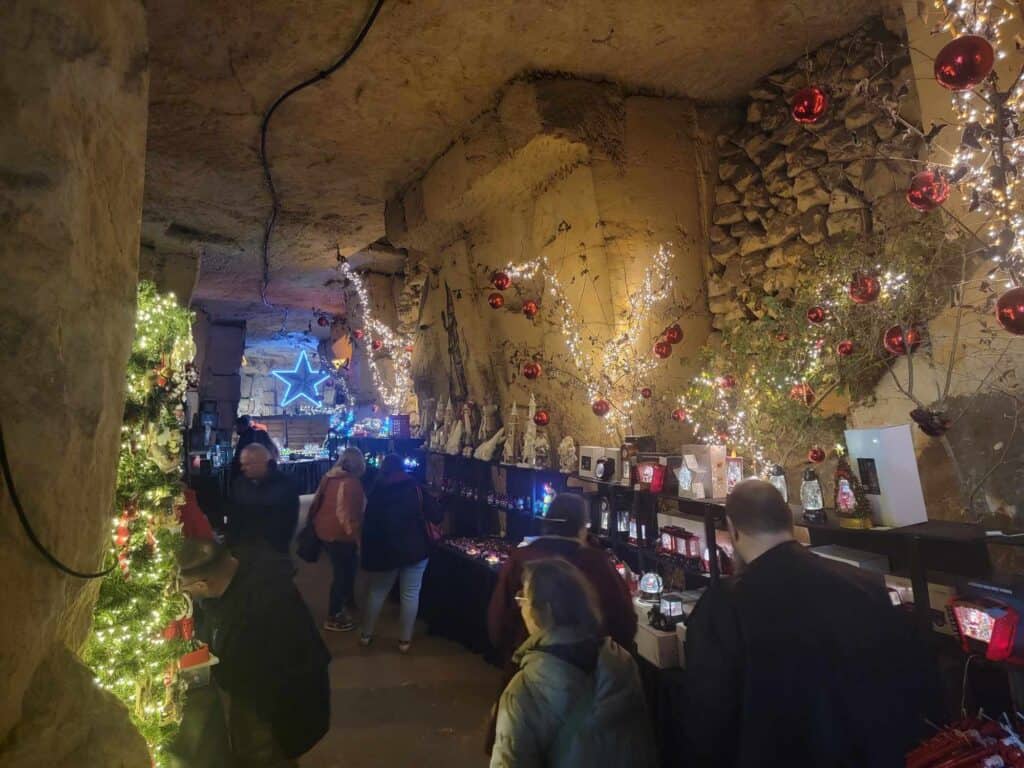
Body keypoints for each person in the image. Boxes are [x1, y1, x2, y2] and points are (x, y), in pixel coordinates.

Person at [684, 479, 938, 768]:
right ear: (790, 520)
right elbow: (908, 685)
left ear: (731, 528)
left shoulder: (723, 606)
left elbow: (708, 716)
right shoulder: (866, 586)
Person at [177, 539, 331, 767]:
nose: (181, 594)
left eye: (184, 589)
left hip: (279, 709)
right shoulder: (243, 566)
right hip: (274, 696)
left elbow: (240, 678)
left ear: (202, 585)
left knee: (262, 757)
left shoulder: (256, 618)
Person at [490, 558, 656, 768]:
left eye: (524, 598)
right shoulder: (621, 663)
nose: (521, 607)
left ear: (546, 610)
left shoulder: (525, 691)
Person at [488, 493, 636, 666]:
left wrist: (511, 656)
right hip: (587, 668)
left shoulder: (522, 558)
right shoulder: (597, 563)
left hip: (530, 662)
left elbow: (498, 620)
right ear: (582, 528)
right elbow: (624, 621)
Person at [359, 453, 441, 652]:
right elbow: (436, 515)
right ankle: (404, 640)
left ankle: (366, 634)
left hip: (386, 551)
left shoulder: (376, 492)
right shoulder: (415, 489)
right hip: (415, 549)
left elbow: (369, 525)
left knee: (377, 592)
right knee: (411, 594)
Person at [309, 446, 367, 632]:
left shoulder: (329, 476)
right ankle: (334, 615)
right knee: (342, 574)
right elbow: (348, 516)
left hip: (323, 530)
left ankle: (346, 602)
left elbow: (316, 501)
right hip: (340, 534)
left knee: (343, 570)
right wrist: (358, 540)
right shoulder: (352, 483)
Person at [227, 444, 299, 558]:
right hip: (243, 549)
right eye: (242, 464)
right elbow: (234, 515)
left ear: (262, 463)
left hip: (273, 552)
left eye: (248, 464)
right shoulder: (239, 483)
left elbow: (289, 520)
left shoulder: (284, 484)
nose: (242, 468)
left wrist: (277, 547)